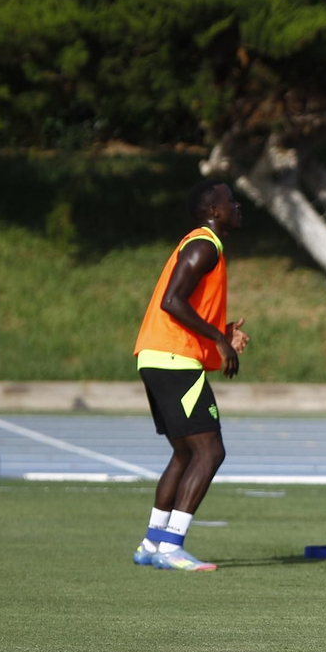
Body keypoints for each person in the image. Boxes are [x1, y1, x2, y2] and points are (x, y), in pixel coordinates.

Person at [130, 181, 250, 572]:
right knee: (210, 452)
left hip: (158, 356)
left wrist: (222, 331)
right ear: (214, 211)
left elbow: (185, 307)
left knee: (186, 453)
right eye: (230, 201)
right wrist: (219, 339)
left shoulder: (205, 246)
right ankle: (171, 547)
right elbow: (172, 301)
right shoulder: (204, 245)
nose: (237, 206)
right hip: (173, 360)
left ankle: (152, 542)